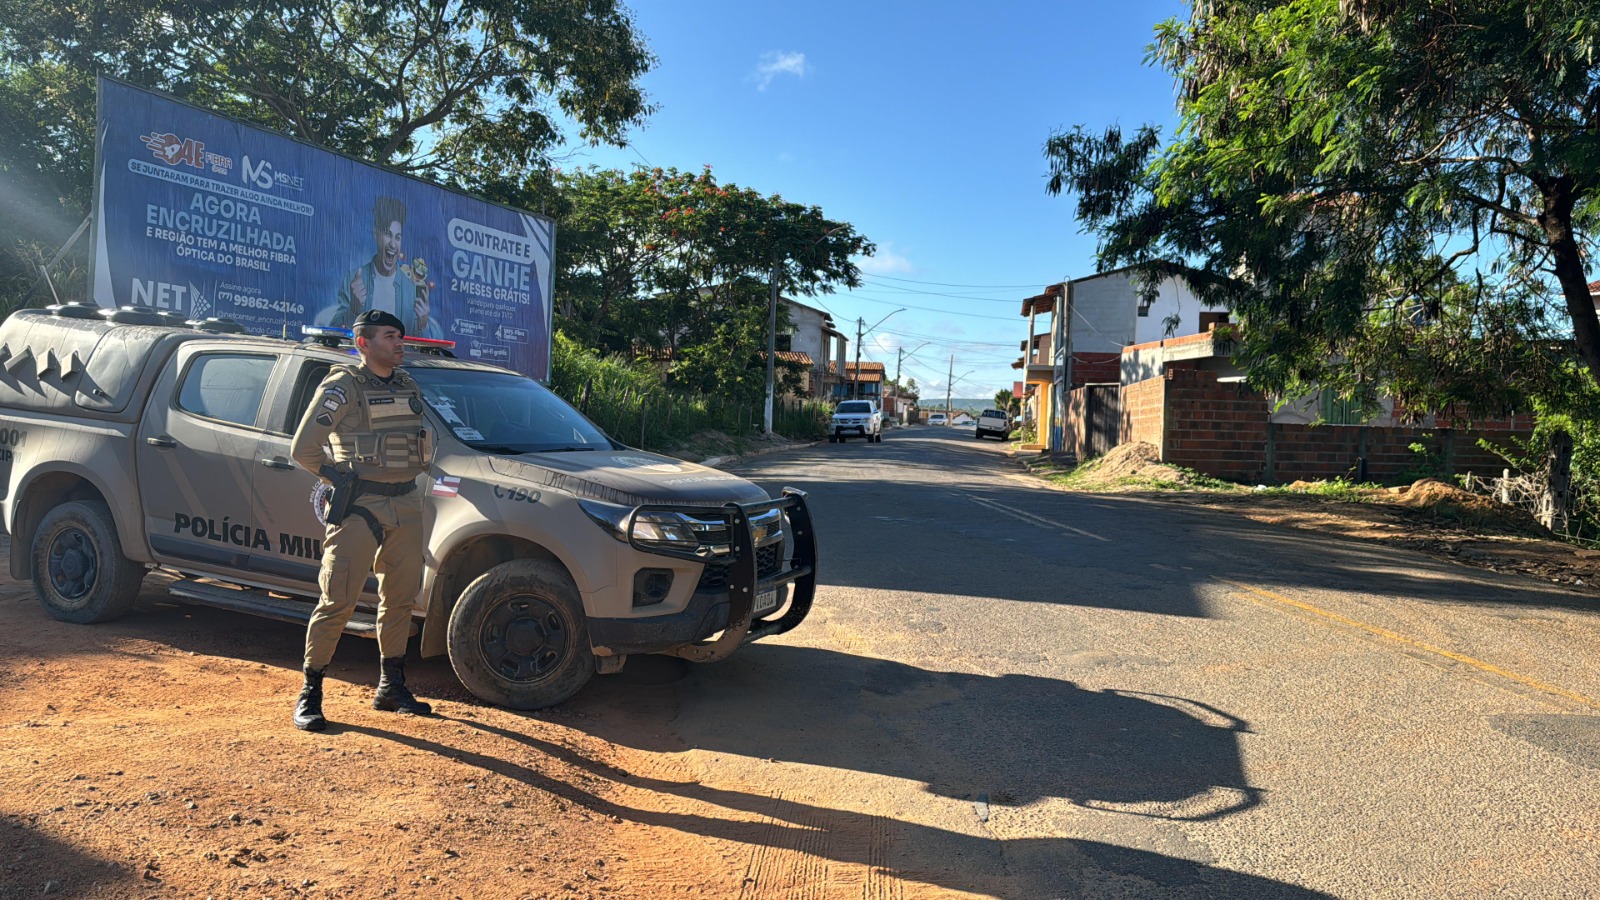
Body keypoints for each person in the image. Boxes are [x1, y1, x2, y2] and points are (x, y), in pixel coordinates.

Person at [289, 309, 434, 731]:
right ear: (363, 344)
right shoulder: (343, 386)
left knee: (401, 600)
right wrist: (339, 479)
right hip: (360, 506)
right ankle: (311, 693)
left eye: (401, 336)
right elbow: (304, 449)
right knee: (337, 600)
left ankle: (391, 687)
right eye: (390, 337)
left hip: (406, 503)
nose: (399, 343)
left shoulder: (408, 385)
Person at [322, 196, 442, 338]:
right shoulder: (354, 280)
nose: (392, 244)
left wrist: (422, 324)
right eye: (387, 234)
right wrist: (353, 310)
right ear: (376, 234)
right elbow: (333, 332)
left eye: (397, 237)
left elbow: (419, 347)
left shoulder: (410, 289)